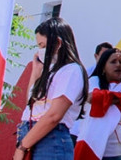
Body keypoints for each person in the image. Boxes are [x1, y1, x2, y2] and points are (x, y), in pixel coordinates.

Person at [15, 17, 89, 160]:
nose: (40, 51)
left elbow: (54, 115)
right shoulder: (50, 71)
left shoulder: (71, 70)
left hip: (51, 138)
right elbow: (31, 106)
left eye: (43, 46)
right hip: (33, 135)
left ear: (58, 43)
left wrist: (22, 147)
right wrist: (36, 73)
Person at [75, 47, 121, 160]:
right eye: (113, 62)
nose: (118, 65)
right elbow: (93, 98)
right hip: (97, 148)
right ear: (103, 68)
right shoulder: (94, 81)